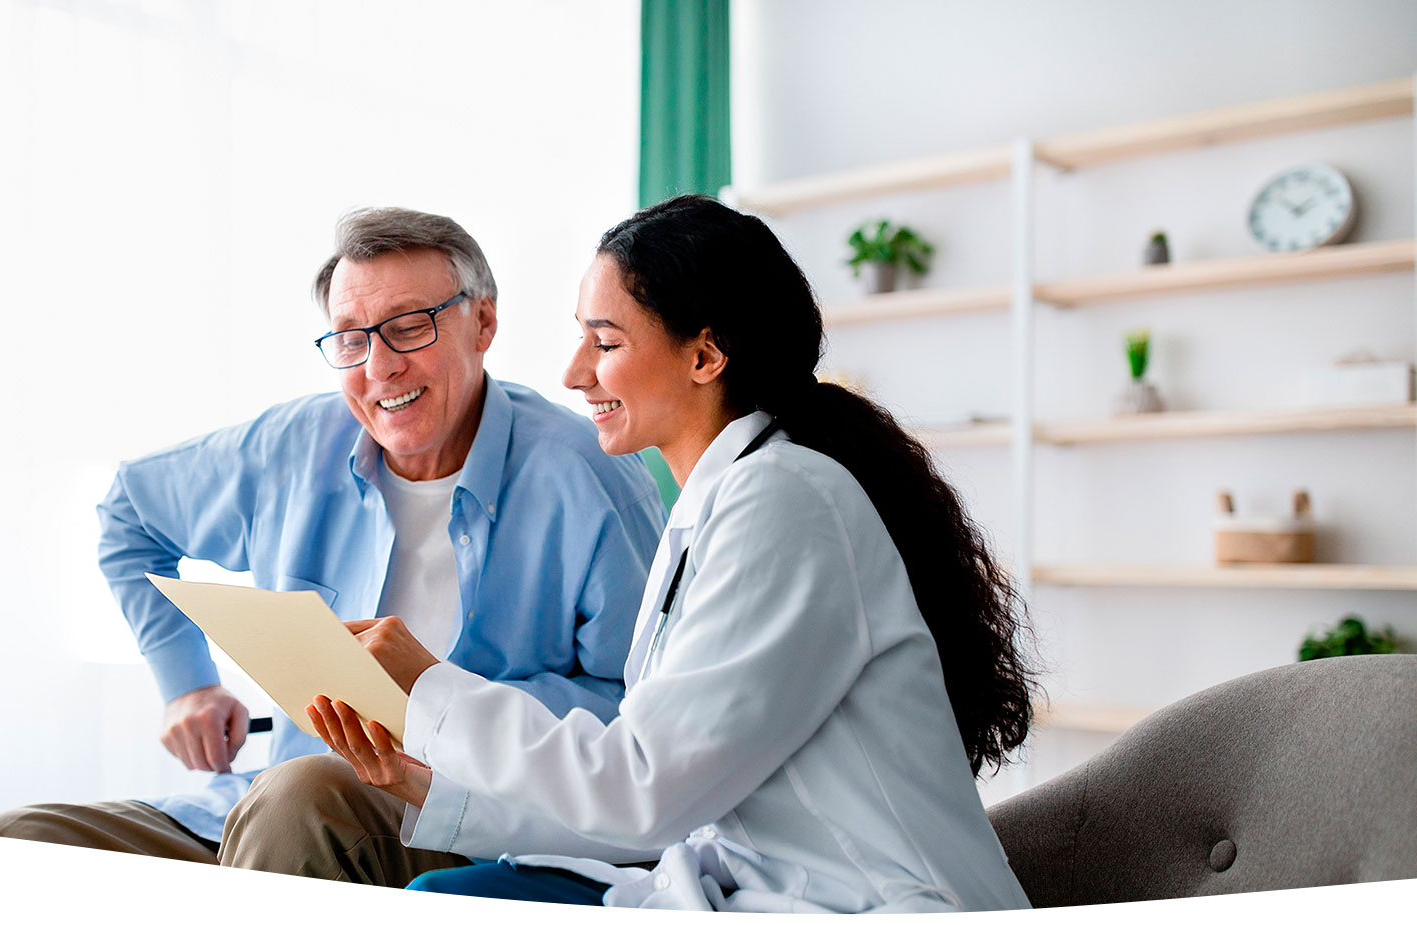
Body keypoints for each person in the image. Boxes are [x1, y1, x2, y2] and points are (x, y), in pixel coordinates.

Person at [309, 194, 1039, 912]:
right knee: (442, 892)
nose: (574, 372)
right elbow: (666, 799)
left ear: (705, 353)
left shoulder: (785, 500)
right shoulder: (717, 505)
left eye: (606, 341)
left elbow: (642, 790)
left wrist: (431, 685)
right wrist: (430, 787)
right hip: (751, 884)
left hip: (870, 904)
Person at [0, 207, 666, 888]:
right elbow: (129, 514)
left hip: (466, 815)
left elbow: (639, 722)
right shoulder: (292, 446)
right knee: (16, 842)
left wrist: (442, 704)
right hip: (267, 811)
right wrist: (186, 681)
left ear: (482, 322)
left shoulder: (590, 477)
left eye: (407, 328)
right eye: (351, 339)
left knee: (298, 801)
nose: (379, 367)